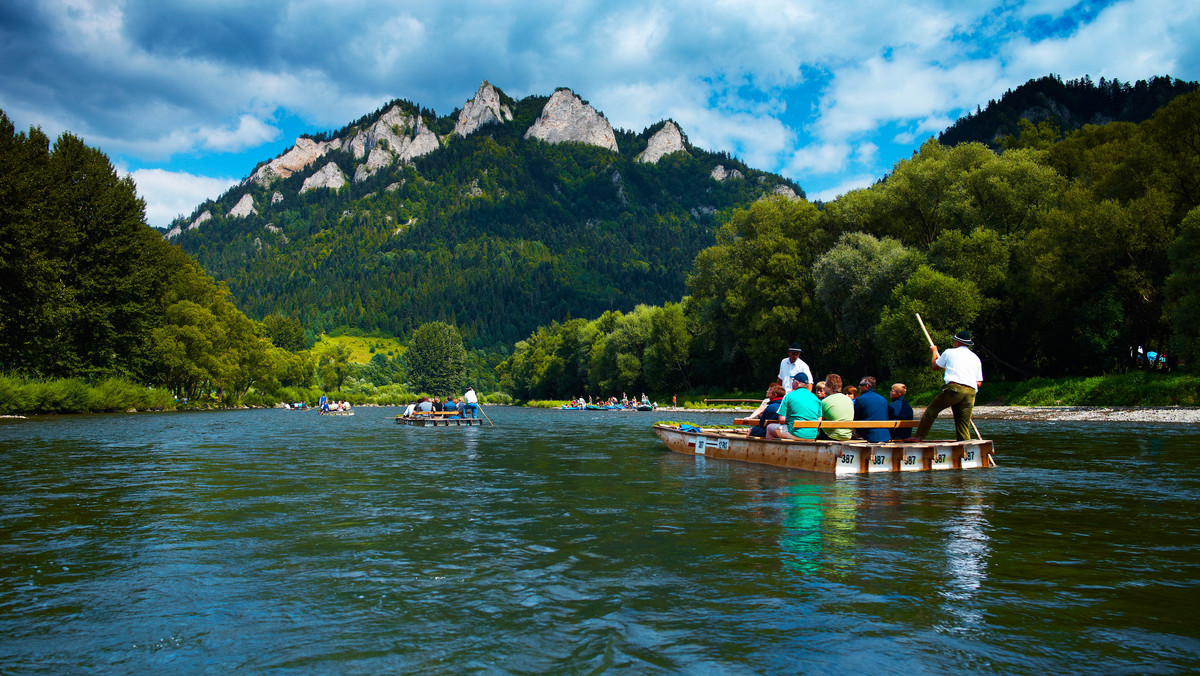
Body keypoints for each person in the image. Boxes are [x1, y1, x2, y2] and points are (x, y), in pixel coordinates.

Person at [905, 330, 984, 442]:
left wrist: (934, 351)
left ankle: (918, 436)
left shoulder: (949, 352)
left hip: (955, 389)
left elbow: (935, 366)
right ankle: (964, 442)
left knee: (931, 411)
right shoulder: (975, 358)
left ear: (957, 342)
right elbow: (979, 383)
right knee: (962, 422)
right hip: (971, 392)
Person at [768, 373, 822, 440]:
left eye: (793, 380)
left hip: (795, 432)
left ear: (797, 383)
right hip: (813, 435)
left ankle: (773, 450)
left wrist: (789, 420)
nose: (792, 383)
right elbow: (819, 419)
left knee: (769, 428)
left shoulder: (788, 396)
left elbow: (781, 420)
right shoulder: (816, 398)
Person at [852, 376, 891, 443]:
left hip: (869, 436)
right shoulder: (883, 399)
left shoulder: (860, 400)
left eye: (860, 385)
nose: (858, 387)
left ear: (866, 386)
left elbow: (856, 419)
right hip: (885, 436)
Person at [817, 374, 853, 441]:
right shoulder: (848, 400)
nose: (824, 387)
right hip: (847, 435)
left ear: (830, 388)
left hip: (832, 436)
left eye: (825, 385)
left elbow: (817, 418)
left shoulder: (825, 401)